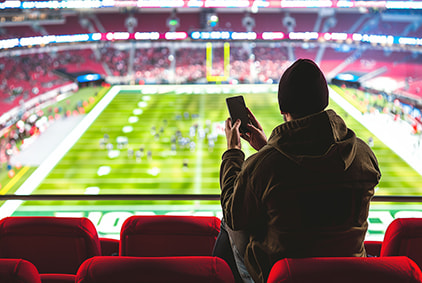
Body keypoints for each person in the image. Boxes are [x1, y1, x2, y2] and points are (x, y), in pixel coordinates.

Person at [215, 59, 381, 283]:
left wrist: (234, 153)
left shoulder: (264, 165)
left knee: (229, 219)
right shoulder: (363, 152)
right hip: (349, 272)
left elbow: (234, 215)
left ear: (283, 109)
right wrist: (267, 149)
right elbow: (313, 176)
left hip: (286, 276)